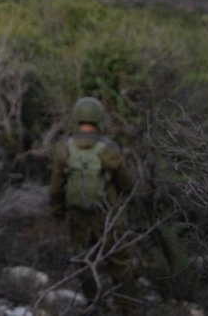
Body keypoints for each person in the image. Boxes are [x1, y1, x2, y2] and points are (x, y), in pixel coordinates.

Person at [49, 96, 137, 313]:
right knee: (120, 262)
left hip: (77, 215)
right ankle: (126, 308)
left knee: (84, 260)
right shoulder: (109, 150)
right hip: (105, 215)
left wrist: (57, 209)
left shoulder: (64, 148)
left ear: (76, 119)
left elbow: (56, 186)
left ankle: (96, 306)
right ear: (99, 119)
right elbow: (127, 184)